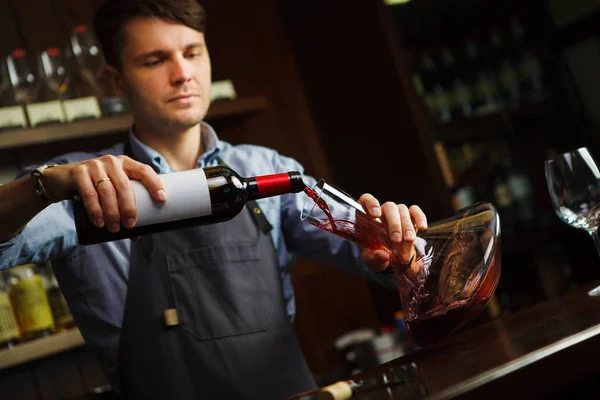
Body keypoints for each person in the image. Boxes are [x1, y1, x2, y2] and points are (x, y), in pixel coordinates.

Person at [0, 0, 428, 398]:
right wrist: (42, 184)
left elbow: (374, 252)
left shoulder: (265, 169)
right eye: (155, 60)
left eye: (192, 53)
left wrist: (396, 246)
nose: (182, 73)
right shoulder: (88, 186)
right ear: (116, 81)